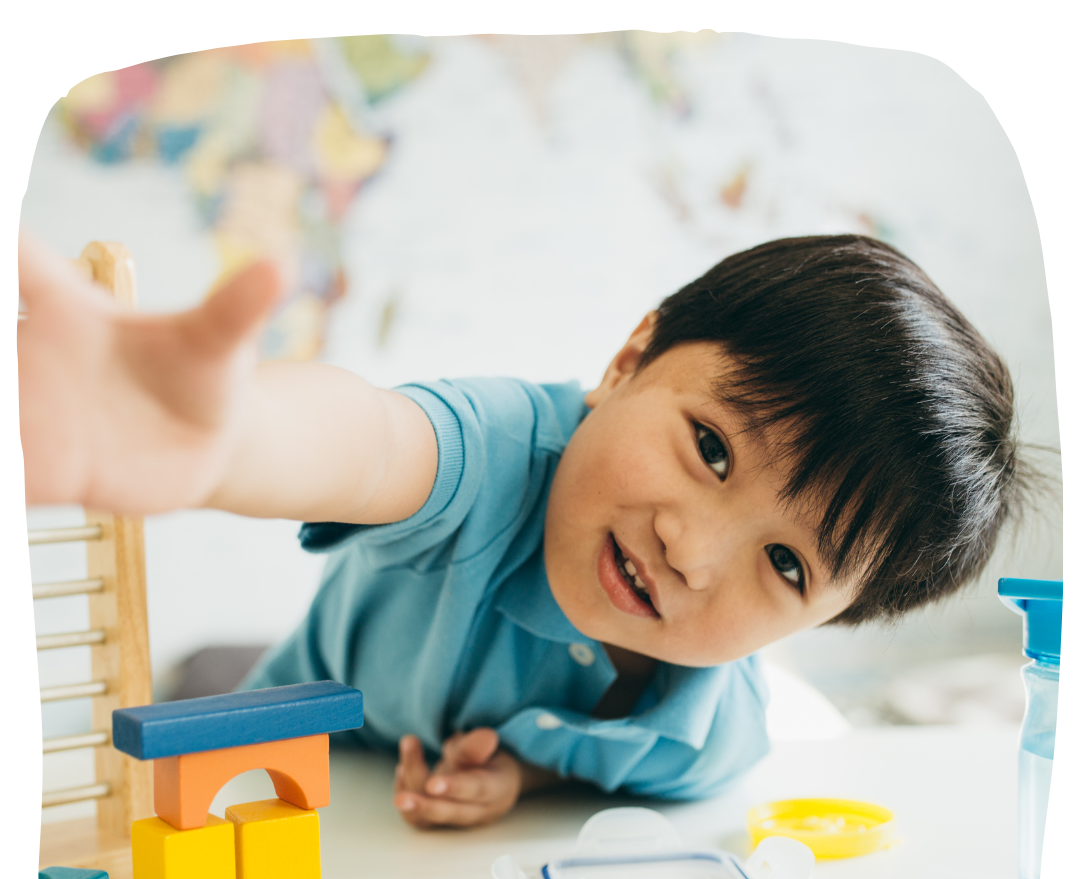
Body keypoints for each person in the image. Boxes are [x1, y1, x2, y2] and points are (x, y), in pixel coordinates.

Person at [10, 231, 1030, 829]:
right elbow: (368, 441)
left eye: (785, 562)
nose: (694, 549)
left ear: (828, 621)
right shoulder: (504, 455)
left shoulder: (709, 732)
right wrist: (226, 434)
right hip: (299, 701)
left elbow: (678, 767)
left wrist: (529, 772)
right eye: (713, 449)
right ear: (630, 360)